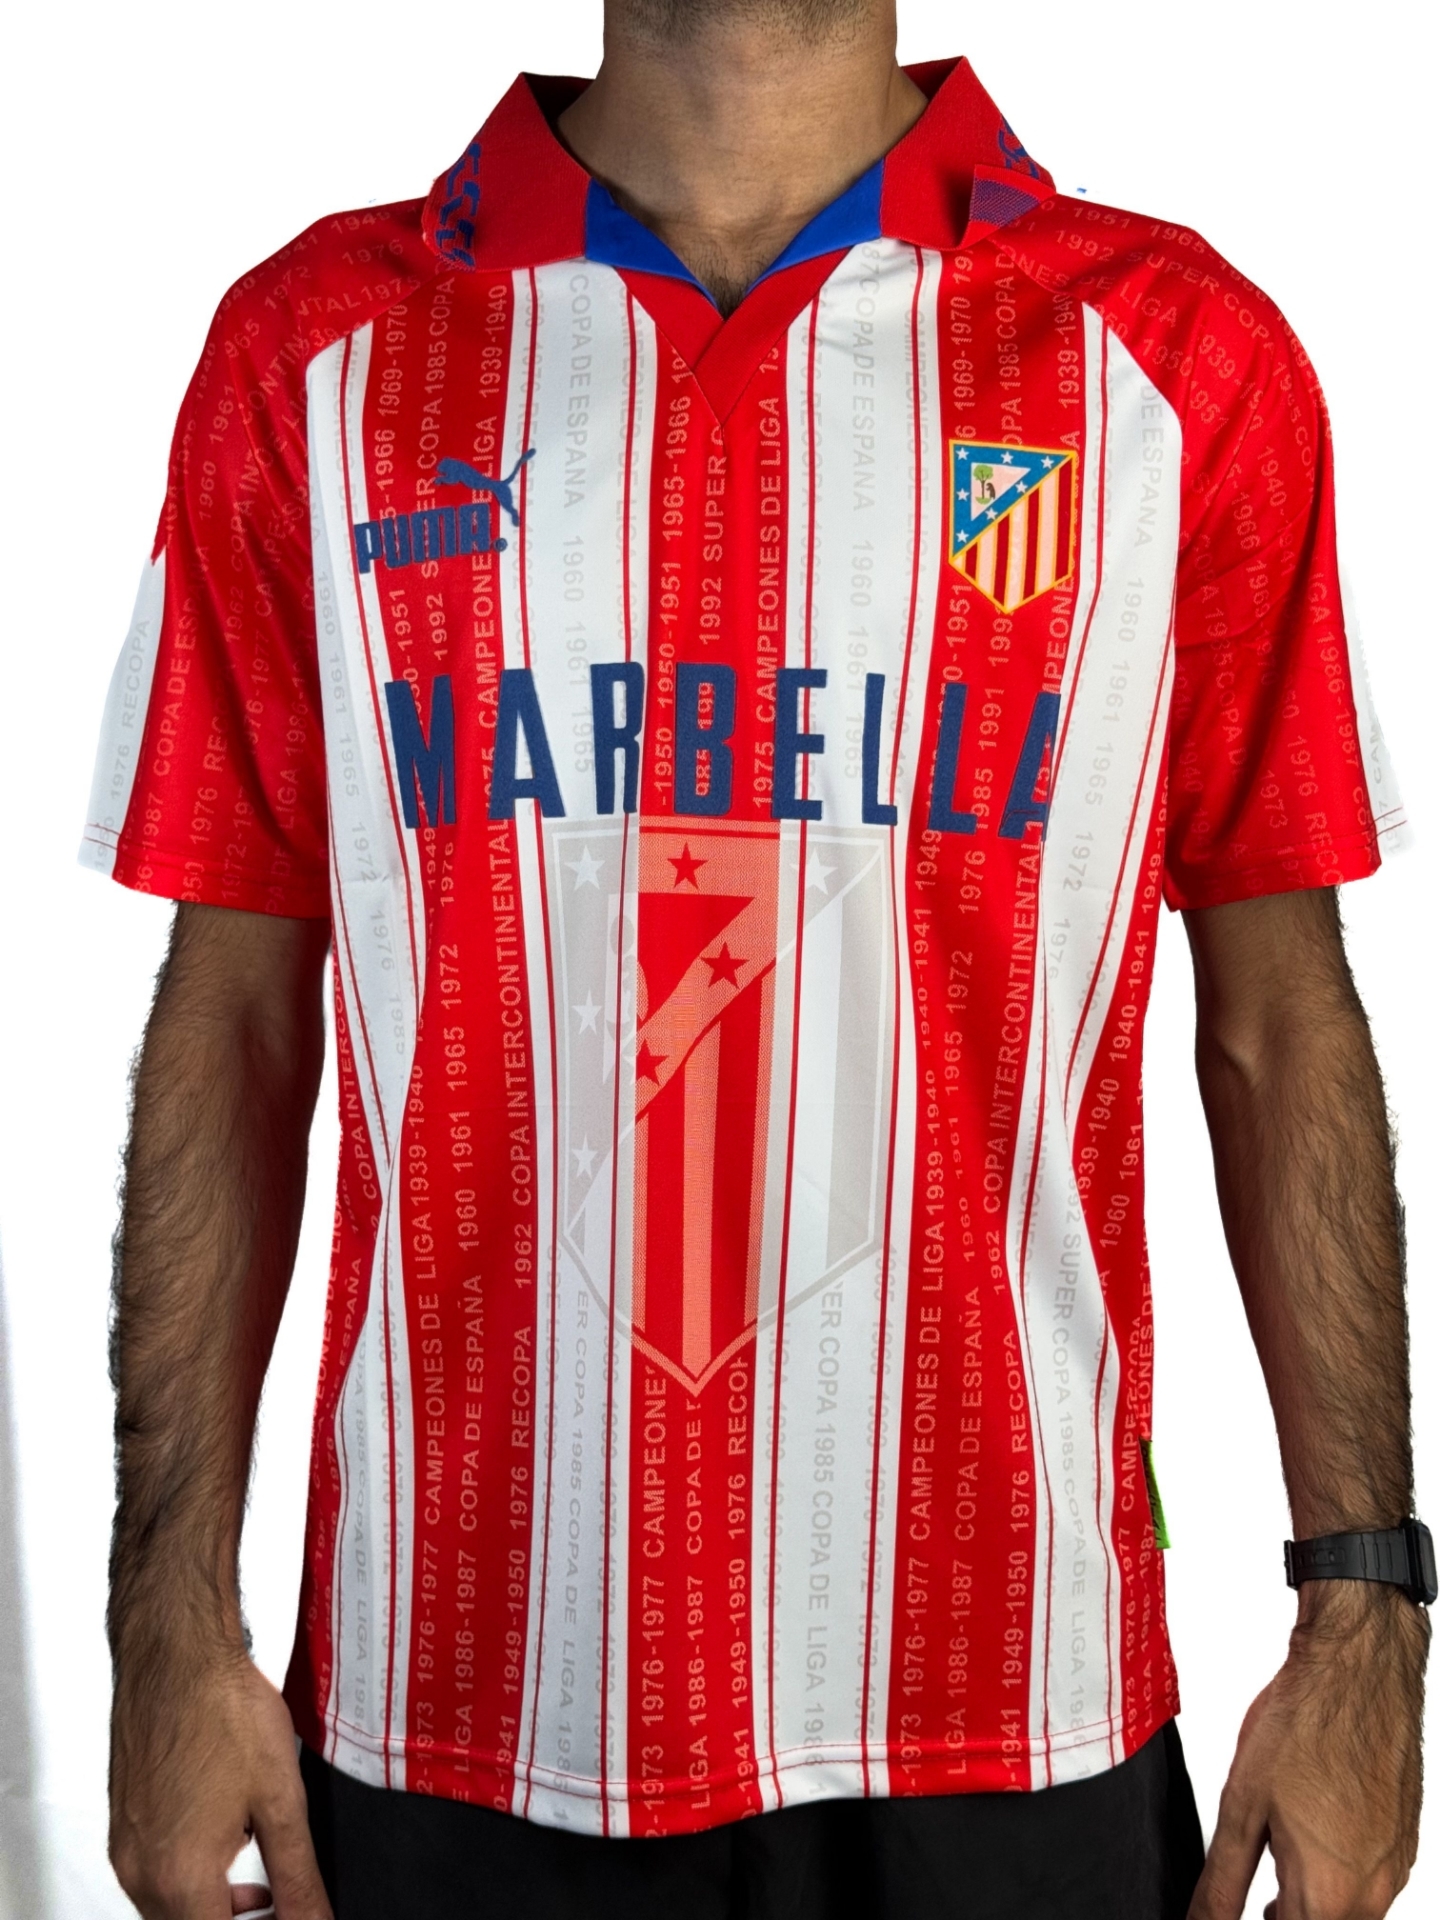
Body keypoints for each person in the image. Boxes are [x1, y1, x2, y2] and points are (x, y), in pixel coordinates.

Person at [85, 2, 1430, 1917]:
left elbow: (1282, 1020)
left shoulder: (1177, 355)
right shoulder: (312, 351)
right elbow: (231, 1019)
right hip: (451, 1703)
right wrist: (164, 1615)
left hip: (1014, 1704)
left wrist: (1366, 1607)